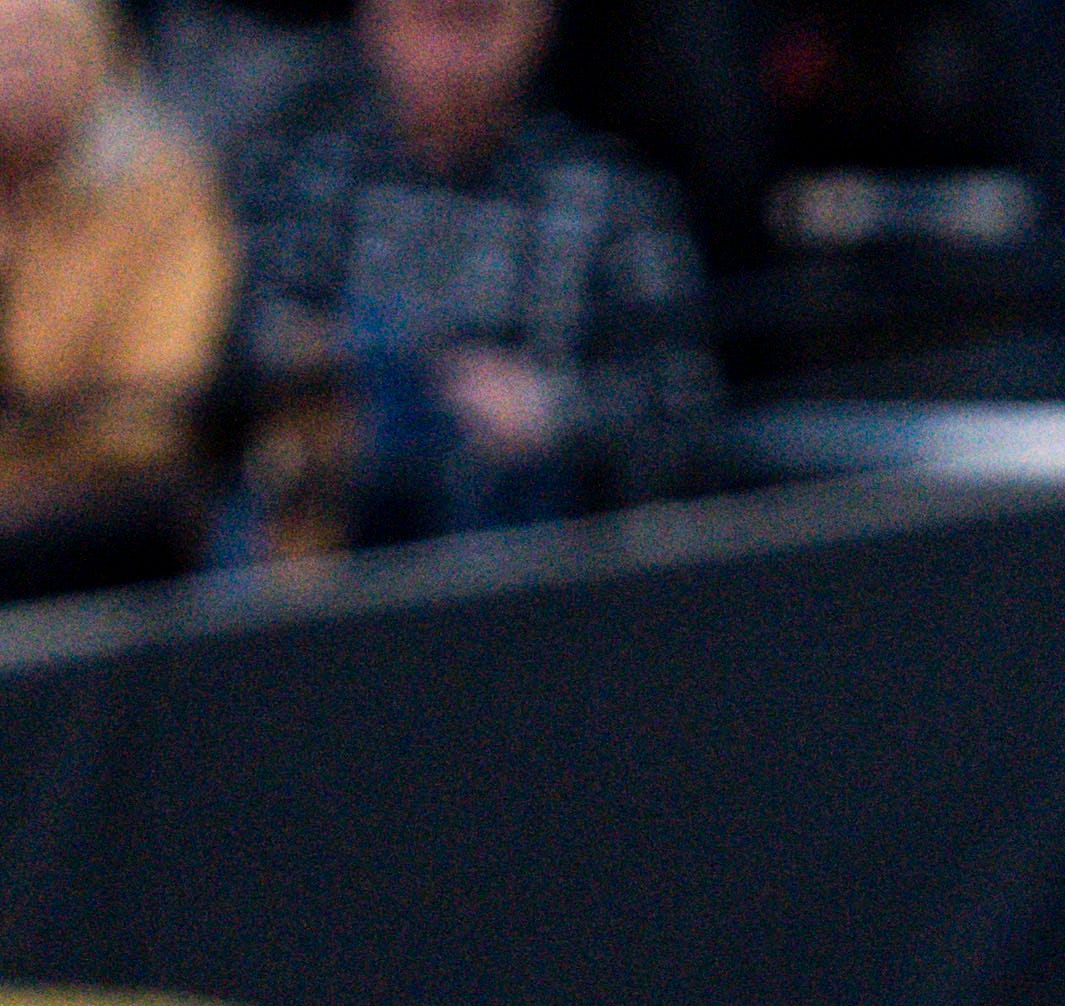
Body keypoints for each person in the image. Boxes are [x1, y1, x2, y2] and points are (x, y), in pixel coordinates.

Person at [226, 0, 711, 551]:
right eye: (427, 18)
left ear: (538, 25)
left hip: (540, 555)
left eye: (476, 19)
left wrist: (552, 410)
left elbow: (685, 408)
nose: (451, 53)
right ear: (375, 22)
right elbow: (229, 358)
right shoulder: (306, 177)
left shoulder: (610, 198)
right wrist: (338, 366)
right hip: (334, 539)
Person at [0, 0, 223, 597]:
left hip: (111, 496)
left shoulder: (162, 186)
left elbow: (148, 411)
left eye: (34, 45)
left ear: (91, 52)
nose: (16, 70)